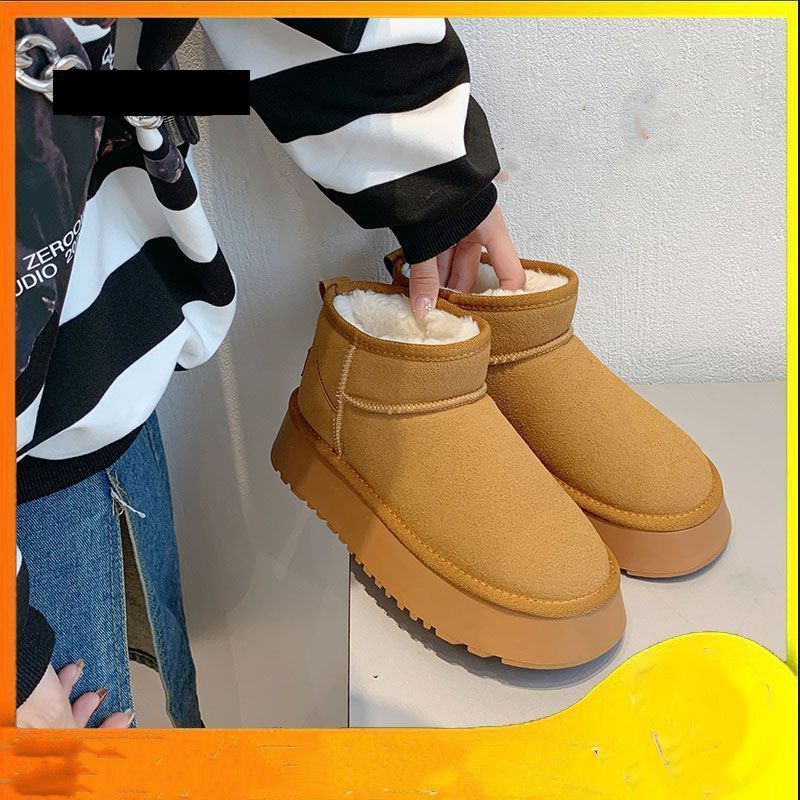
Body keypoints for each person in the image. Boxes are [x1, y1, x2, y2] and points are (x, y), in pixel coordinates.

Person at [15, 16, 524, 728]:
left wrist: (431, 175)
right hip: (30, 476)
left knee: (162, 723)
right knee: (88, 755)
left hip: (95, 355)